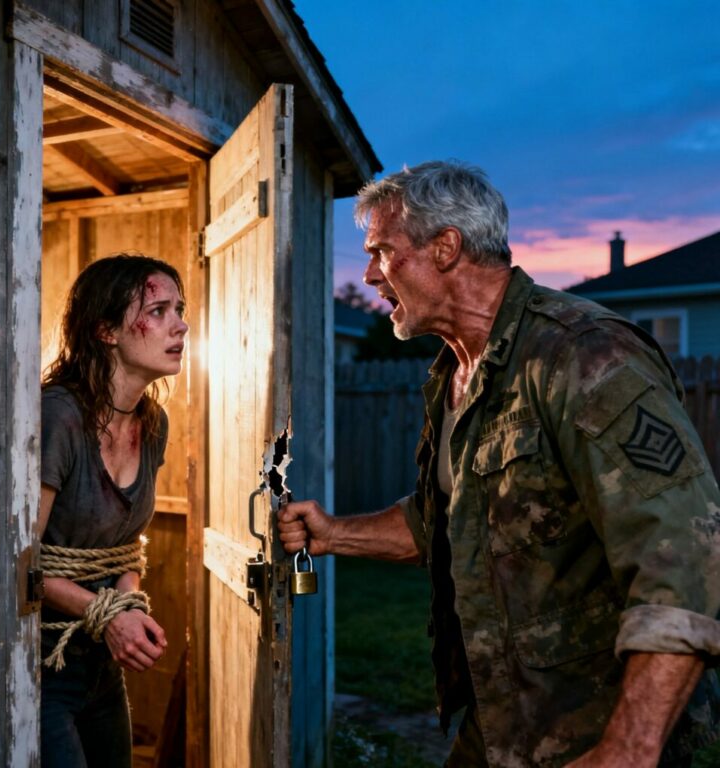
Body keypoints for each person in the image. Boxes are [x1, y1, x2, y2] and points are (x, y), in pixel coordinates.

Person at [278, 161, 720, 767]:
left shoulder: (582, 353)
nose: (369, 274)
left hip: (594, 728)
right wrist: (334, 534)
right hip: (500, 722)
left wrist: (630, 746)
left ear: (445, 248)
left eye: (382, 251)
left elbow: (687, 553)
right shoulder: (455, 374)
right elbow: (452, 520)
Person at [38, 253, 188, 767]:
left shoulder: (153, 424)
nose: (181, 324)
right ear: (105, 329)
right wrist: (106, 615)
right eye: (160, 309)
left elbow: (124, 546)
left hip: (103, 663)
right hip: (41, 664)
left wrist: (125, 606)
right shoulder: (58, 416)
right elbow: (17, 563)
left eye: (180, 309)